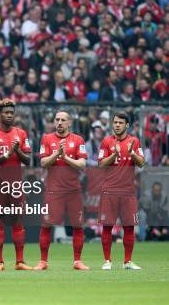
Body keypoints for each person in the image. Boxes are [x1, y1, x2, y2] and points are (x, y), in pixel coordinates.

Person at [35, 111, 90, 270]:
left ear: (69, 122)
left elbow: (82, 164)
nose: (59, 123)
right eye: (57, 120)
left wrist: (64, 157)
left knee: (77, 225)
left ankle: (77, 261)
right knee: (46, 224)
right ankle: (43, 261)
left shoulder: (78, 140)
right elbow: (44, 162)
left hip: (73, 191)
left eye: (63, 120)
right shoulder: (47, 138)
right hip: (53, 191)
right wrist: (57, 154)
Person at [0, 99, 33, 271]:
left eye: (11, 113)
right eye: (6, 113)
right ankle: (0, 262)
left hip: (16, 184)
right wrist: (7, 155)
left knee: (19, 222)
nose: (9, 115)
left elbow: (28, 160)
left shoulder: (21, 133)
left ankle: (20, 262)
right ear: (0, 115)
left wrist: (17, 151)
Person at [98, 112, 145, 270]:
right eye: (115, 122)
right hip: (109, 191)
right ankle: (107, 261)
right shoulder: (106, 141)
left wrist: (132, 153)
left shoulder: (134, 141)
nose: (117, 125)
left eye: (120, 123)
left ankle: (127, 261)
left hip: (128, 192)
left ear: (127, 125)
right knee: (107, 226)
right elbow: (101, 164)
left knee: (129, 227)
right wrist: (114, 155)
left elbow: (142, 163)